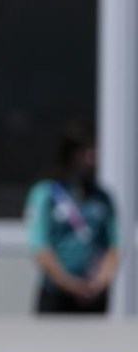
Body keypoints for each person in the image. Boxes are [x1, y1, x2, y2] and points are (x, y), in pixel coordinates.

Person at [24, 120, 119, 314]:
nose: (92, 160)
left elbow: (113, 246)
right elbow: (40, 246)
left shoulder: (102, 198)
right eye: (85, 153)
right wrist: (70, 284)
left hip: (93, 295)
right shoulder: (47, 194)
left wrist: (100, 282)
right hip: (57, 295)